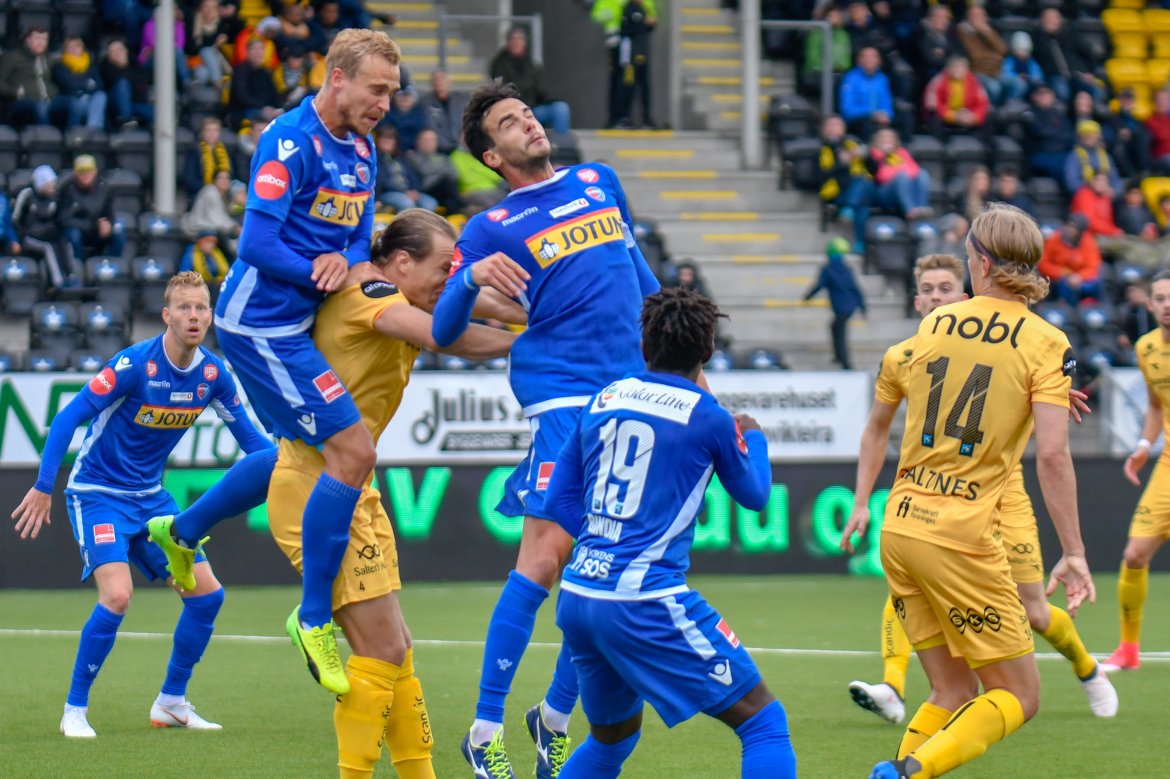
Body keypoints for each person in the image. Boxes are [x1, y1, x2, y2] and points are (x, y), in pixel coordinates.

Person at [431, 79, 662, 777]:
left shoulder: (600, 179)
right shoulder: (490, 228)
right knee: (543, 558)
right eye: (509, 122)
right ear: (490, 154)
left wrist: (686, 371)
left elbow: (644, 281)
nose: (528, 123)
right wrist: (469, 281)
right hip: (562, 396)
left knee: (603, 570)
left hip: (630, 393)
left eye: (527, 112)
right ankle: (483, 728)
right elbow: (443, 331)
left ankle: (554, 717)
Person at [267, 210, 518, 777]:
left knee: (397, 647)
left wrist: (548, 316)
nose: (448, 280)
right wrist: (527, 345)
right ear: (401, 262)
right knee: (380, 652)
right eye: (442, 268)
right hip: (317, 486)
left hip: (353, 486)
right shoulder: (370, 292)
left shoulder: (402, 296)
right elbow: (444, 334)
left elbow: (479, 307)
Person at [860, 203, 1095, 779]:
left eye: (967, 258)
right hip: (959, 536)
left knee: (950, 689)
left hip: (902, 521)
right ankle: (907, 773)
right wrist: (1075, 551)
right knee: (1019, 694)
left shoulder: (936, 324)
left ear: (983, 263)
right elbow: (1054, 456)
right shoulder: (1046, 341)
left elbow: (967, 379)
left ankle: (899, 768)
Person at [213, 29, 401, 696]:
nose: (385, 103)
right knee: (351, 448)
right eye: (376, 89)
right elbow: (256, 241)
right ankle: (313, 616)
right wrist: (320, 274)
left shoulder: (362, 148)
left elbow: (354, 239)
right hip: (260, 323)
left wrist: (346, 264)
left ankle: (183, 529)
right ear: (338, 77)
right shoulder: (289, 141)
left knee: (300, 449)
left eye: (392, 93)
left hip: (298, 322)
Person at [544, 287, 797, 778]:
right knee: (764, 723)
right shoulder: (710, 417)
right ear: (707, 352)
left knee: (611, 741)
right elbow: (756, 497)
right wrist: (757, 437)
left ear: (643, 345)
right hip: (643, 600)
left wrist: (608, 547)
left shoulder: (605, 398)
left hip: (579, 594)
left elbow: (558, 501)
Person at [9, 271, 273, 739]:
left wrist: (294, 466)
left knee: (208, 596)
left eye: (202, 308)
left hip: (152, 498)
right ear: (166, 315)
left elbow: (254, 443)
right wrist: (44, 485)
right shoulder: (134, 364)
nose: (194, 316)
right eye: (185, 308)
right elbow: (69, 417)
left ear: (210, 316)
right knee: (117, 595)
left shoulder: (213, 374)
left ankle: (171, 702)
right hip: (98, 494)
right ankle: (75, 709)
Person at [1100, 270, 1170, 673]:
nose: (1166, 304)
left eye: (1169, 297)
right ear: (1150, 304)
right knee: (1134, 554)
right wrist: (1144, 446)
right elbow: (1158, 407)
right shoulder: (1146, 348)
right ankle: (1128, 649)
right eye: (1159, 298)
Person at [489, 26, 571, 135]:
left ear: (525, 42)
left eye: (520, 39)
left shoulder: (531, 65)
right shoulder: (499, 64)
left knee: (561, 108)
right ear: (508, 42)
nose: (517, 42)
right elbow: (502, 91)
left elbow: (539, 91)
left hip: (533, 109)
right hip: (512, 111)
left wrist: (550, 100)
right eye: (513, 39)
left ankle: (561, 146)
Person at [804, 236, 866, 370]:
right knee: (834, 327)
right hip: (850, 305)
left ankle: (846, 363)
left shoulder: (827, 269)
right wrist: (862, 306)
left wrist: (808, 296)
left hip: (840, 307)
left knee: (840, 333)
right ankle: (838, 357)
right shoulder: (846, 268)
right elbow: (855, 287)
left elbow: (819, 284)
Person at [818, 114, 873, 253]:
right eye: (830, 125)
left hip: (862, 188)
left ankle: (849, 210)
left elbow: (874, 169)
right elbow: (819, 176)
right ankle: (860, 242)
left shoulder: (854, 144)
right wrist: (841, 163)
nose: (834, 128)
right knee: (862, 205)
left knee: (863, 180)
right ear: (824, 129)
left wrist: (866, 156)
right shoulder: (821, 149)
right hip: (838, 193)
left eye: (838, 125)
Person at [13, 165, 75, 289]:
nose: (53, 186)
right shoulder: (27, 195)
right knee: (48, 248)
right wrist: (21, 236)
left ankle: (71, 276)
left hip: (47, 233)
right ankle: (58, 282)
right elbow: (16, 219)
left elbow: (59, 218)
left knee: (63, 240)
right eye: (50, 183)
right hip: (29, 237)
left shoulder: (55, 197)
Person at [59, 154, 125, 269]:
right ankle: (77, 269)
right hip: (80, 230)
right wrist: (91, 225)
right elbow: (64, 219)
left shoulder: (104, 187)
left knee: (118, 233)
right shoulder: (67, 189)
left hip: (97, 232)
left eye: (88, 170)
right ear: (75, 173)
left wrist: (108, 225)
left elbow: (110, 213)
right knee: (73, 235)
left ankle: (111, 267)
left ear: (95, 171)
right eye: (81, 171)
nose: (85, 175)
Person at [0, 27, 65, 127]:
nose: (41, 42)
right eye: (37, 38)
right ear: (28, 40)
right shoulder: (12, 57)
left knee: (75, 105)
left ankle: (74, 139)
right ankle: (46, 138)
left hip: (49, 98)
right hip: (21, 101)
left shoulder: (48, 58)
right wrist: (13, 91)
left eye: (44, 39)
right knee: (40, 106)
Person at [867, 128, 932, 220]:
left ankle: (921, 207)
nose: (886, 139)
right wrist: (899, 167)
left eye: (889, 137)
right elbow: (882, 177)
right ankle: (910, 211)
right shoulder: (873, 154)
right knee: (901, 177)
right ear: (876, 140)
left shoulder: (902, 152)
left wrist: (900, 169)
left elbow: (915, 170)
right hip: (883, 193)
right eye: (883, 137)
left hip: (905, 186)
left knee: (922, 174)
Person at [1038, 213, 1103, 306]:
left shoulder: (1088, 242)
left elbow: (1093, 267)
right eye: (1069, 225)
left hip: (1080, 279)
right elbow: (1043, 263)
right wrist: (1061, 272)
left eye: (1074, 228)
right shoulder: (1055, 239)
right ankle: (1068, 310)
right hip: (1057, 278)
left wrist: (1079, 277)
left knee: (1097, 285)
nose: (1070, 229)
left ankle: (1095, 309)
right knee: (1066, 286)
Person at [614, 0, 657, 129]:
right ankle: (624, 117)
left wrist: (649, 24)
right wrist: (643, 23)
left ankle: (645, 119)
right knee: (628, 86)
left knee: (645, 88)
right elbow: (625, 29)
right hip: (631, 59)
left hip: (642, 56)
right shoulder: (629, 9)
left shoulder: (642, 8)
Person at [375, 126, 438, 213]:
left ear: (395, 142)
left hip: (408, 192)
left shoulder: (402, 158)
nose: (387, 142)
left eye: (390, 139)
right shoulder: (376, 159)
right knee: (407, 203)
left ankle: (422, 226)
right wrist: (404, 192)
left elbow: (414, 177)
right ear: (378, 140)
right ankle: (405, 226)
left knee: (430, 203)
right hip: (388, 192)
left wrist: (415, 190)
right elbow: (382, 181)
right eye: (384, 139)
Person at [51, 36, 108, 130]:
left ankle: (92, 129)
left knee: (101, 96)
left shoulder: (91, 65)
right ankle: (74, 132)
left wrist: (82, 86)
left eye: (77, 46)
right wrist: (88, 83)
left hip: (89, 99)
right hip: (69, 99)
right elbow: (70, 85)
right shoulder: (60, 66)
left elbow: (100, 85)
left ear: (82, 48)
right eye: (70, 47)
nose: (74, 49)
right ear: (65, 49)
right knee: (80, 103)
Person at [839, 47, 894, 141]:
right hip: (858, 120)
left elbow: (886, 101)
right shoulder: (850, 78)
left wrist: (886, 114)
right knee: (867, 123)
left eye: (874, 56)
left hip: (878, 118)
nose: (870, 59)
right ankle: (868, 151)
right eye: (866, 56)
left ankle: (902, 151)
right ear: (859, 60)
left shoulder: (882, 78)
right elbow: (847, 109)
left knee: (904, 115)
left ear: (879, 60)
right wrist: (872, 114)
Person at [228, 37, 284, 128]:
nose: (258, 52)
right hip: (244, 111)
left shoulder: (266, 72)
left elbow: (274, 94)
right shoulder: (240, 71)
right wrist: (262, 107)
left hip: (264, 108)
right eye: (254, 49)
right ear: (247, 52)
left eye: (261, 49)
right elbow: (242, 96)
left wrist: (279, 109)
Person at [99, 37, 153, 129]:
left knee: (156, 113)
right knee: (122, 84)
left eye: (119, 49)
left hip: (135, 103)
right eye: (113, 51)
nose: (117, 53)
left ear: (125, 50)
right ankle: (126, 121)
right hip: (115, 107)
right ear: (108, 55)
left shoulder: (135, 64)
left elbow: (144, 81)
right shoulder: (105, 67)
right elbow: (118, 83)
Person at [182, 117, 234, 200]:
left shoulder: (225, 150)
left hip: (224, 192)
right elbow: (190, 180)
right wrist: (214, 186)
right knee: (212, 193)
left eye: (215, 130)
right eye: (208, 130)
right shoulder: (194, 151)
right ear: (202, 133)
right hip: (201, 194)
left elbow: (232, 175)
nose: (212, 133)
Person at [421, 70, 468, 154]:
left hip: (461, 149)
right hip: (437, 150)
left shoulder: (462, 101)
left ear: (449, 82)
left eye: (442, 79)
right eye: (436, 79)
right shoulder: (424, 103)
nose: (439, 82)